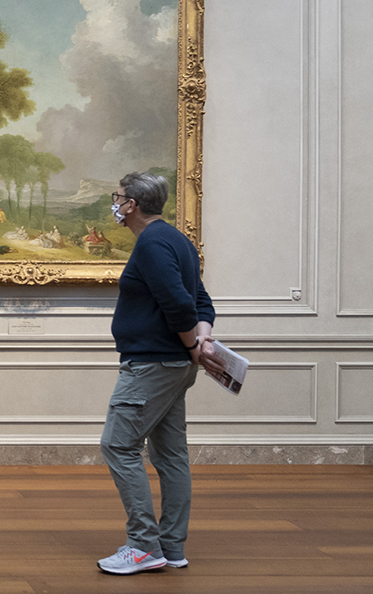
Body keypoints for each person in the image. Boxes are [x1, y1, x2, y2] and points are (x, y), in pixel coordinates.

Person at [96, 171, 225, 575]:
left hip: (153, 365)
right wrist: (201, 344)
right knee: (170, 455)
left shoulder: (152, 243)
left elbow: (181, 305)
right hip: (175, 364)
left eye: (118, 197)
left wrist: (192, 346)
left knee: (117, 446)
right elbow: (202, 302)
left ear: (131, 204)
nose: (114, 203)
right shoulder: (176, 240)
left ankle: (143, 546)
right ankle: (171, 546)